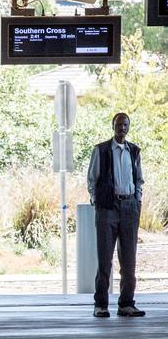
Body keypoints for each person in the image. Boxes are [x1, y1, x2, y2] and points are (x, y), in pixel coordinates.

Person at [88, 113, 145, 318]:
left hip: (130, 207)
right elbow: (92, 179)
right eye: (119, 124)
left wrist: (137, 201)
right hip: (107, 208)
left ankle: (126, 304)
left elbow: (139, 180)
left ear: (129, 127)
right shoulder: (101, 150)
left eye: (125, 125)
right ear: (113, 126)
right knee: (105, 259)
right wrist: (97, 201)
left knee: (129, 260)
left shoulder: (134, 151)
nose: (122, 128)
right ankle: (101, 304)